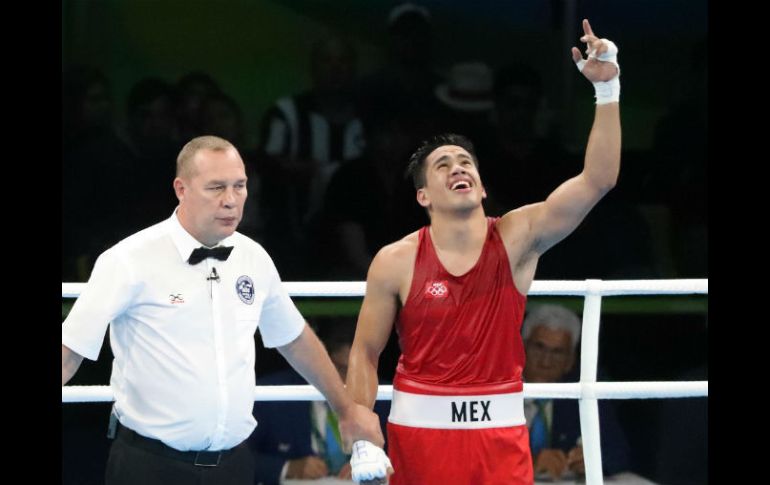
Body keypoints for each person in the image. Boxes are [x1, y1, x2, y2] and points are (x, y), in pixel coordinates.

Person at [346, 19, 621, 485]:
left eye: (466, 161)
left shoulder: (517, 236)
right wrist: (361, 435)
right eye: (443, 164)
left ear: (481, 183)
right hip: (419, 434)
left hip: (499, 433)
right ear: (423, 196)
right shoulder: (395, 260)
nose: (458, 167)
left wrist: (608, 88)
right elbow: (364, 353)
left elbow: (598, 180)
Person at [61, 135, 384, 485]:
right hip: (149, 465)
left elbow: (294, 340)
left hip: (234, 464)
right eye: (216, 187)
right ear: (181, 189)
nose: (230, 200)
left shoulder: (253, 258)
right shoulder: (128, 259)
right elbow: (70, 350)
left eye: (239, 186)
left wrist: (346, 408)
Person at [249, 319, 390, 485]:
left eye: (357, 371)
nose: (348, 381)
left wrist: (379, 465)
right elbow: (235, 458)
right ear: (320, 364)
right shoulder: (273, 392)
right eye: (341, 369)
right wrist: (287, 467)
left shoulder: (386, 395)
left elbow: (408, 457)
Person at [521, 305, 630, 480]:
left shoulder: (585, 393)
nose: (546, 362)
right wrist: (527, 462)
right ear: (521, 347)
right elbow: (475, 454)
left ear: (570, 360)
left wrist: (594, 459)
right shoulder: (494, 390)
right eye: (539, 348)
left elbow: (619, 453)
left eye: (558, 352)